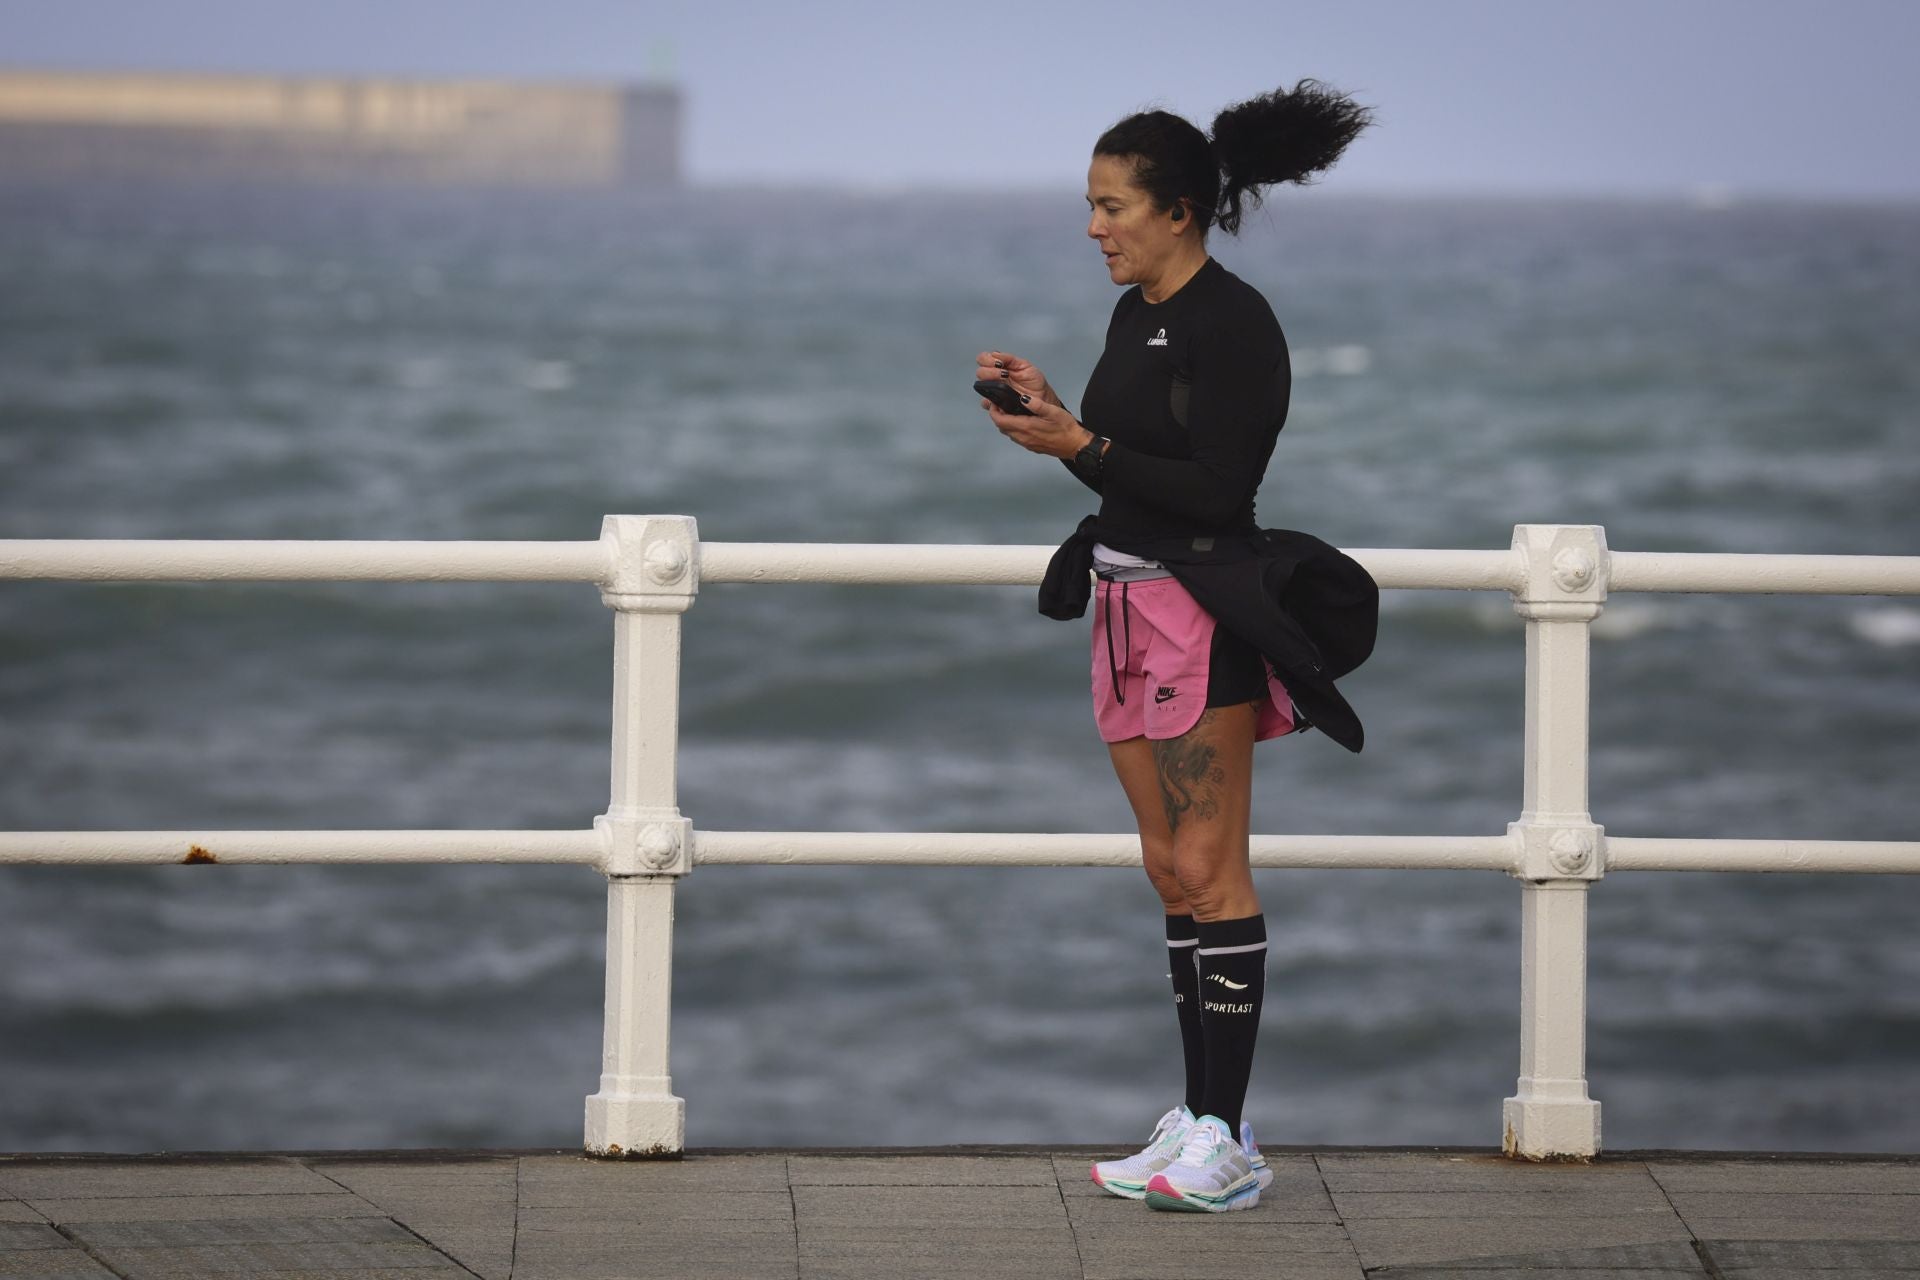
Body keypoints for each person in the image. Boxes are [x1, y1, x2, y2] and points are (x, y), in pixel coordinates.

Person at [975, 81, 1375, 1214]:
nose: (1094, 225)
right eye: (1091, 204)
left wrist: (1086, 441)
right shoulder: (1133, 310)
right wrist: (1059, 422)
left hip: (1200, 614)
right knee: (1167, 867)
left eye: (1112, 205)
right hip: (1118, 602)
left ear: (1181, 210)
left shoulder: (1233, 321)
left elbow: (1217, 488)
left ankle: (1230, 1140)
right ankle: (1202, 1118)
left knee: (1213, 868)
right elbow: (1126, 464)